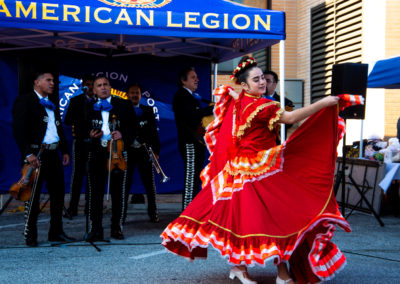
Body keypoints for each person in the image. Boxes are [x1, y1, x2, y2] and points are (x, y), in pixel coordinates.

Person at [161, 56, 352, 284]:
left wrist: (230, 92)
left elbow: (233, 94)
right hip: (257, 170)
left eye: (263, 78)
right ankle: (271, 272)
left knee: (248, 221)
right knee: (273, 220)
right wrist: (324, 103)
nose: (263, 82)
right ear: (244, 85)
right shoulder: (264, 106)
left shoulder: (241, 99)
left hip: (240, 169)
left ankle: (247, 268)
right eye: (257, 79)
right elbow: (290, 117)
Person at [12, 71, 75, 247]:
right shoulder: (24, 100)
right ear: (37, 82)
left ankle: (56, 232)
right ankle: (30, 234)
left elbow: (57, 129)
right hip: (36, 155)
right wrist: (28, 154)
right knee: (33, 195)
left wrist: (64, 149)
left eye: (53, 80)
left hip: (53, 154)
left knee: (58, 194)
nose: (52, 83)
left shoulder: (51, 104)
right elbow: (18, 130)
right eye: (48, 80)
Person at [82, 75, 137, 241]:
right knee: (96, 193)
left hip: (117, 152)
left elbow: (134, 127)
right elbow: (82, 130)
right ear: (94, 90)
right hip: (98, 152)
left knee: (118, 193)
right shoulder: (89, 107)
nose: (103, 87)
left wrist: (123, 133)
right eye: (99, 85)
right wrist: (90, 135)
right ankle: (96, 229)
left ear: (110, 86)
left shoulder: (124, 103)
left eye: (105, 84)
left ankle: (116, 228)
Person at [172, 67, 214, 210]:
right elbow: (192, 114)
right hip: (189, 142)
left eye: (196, 76)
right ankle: (186, 215)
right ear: (183, 81)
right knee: (191, 179)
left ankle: (192, 212)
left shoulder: (189, 96)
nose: (197, 79)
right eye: (192, 77)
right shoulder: (181, 96)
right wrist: (214, 108)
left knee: (196, 178)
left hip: (195, 142)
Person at [124, 83, 160, 223]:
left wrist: (156, 151)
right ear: (127, 95)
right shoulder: (123, 111)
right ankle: (122, 214)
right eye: (132, 93)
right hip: (128, 152)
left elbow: (153, 132)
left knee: (149, 184)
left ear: (140, 95)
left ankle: (153, 212)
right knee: (125, 184)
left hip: (144, 151)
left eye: (137, 93)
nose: (134, 95)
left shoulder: (148, 110)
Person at [64, 74, 96, 217]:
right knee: (77, 175)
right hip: (80, 142)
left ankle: (90, 206)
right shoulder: (76, 100)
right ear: (83, 86)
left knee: (93, 175)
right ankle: (73, 207)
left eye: (92, 84)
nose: (89, 87)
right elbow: (67, 120)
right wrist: (82, 113)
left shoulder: (100, 102)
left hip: (96, 143)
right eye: (87, 84)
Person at [263, 70, 295, 144]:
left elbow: (289, 124)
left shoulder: (285, 102)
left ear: (274, 85)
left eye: (267, 81)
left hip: (276, 143)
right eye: (262, 79)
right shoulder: (254, 100)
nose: (264, 83)